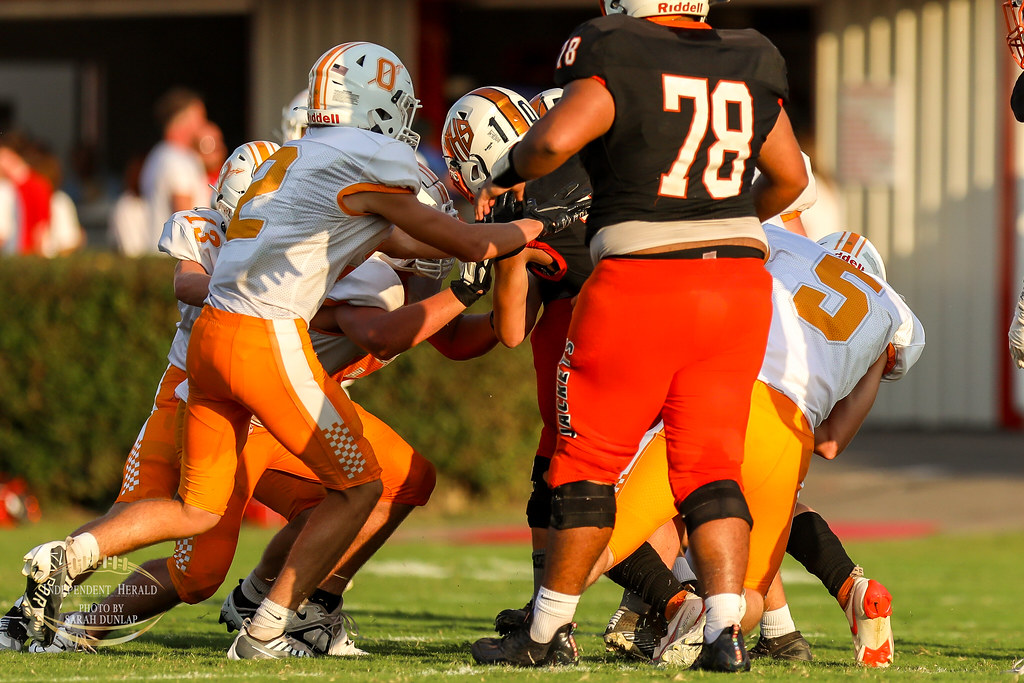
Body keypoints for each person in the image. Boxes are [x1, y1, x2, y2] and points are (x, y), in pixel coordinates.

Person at [19, 41, 573, 662]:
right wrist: (529, 229)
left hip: (217, 345)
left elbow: (417, 258)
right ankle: (266, 629)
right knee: (355, 490)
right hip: (266, 352)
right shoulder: (366, 172)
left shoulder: (303, 165)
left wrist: (473, 264)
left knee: (202, 515)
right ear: (379, 110)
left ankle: (74, 559)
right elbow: (417, 286)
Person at [469, 0, 807, 670]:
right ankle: (724, 632)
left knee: (585, 460)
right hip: (739, 283)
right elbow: (791, 176)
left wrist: (503, 174)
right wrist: (724, 220)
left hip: (643, 279)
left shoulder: (618, 48)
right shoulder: (749, 56)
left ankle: (545, 631)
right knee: (711, 466)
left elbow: (552, 143)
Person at [441, 85, 594, 632]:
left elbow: (508, 331)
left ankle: (668, 602)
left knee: (582, 488)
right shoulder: (585, 165)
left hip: (610, 333)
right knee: (552, 479)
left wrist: (501, 252)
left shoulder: (521, 203)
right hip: (642, 319)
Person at [138, 88, 210, 254]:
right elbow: (184, 217)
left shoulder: (158, 155)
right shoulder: (177, 160)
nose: (203, 124)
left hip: (161, 254)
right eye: (199, 118)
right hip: (178, 258)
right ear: (182, 119)